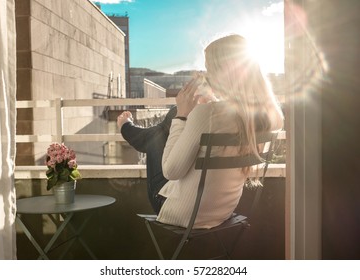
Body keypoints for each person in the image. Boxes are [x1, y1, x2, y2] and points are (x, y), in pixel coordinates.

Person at [117, 34, 284, 229]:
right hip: (222, 211)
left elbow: (171, 172)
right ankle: (136, 133)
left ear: (224, 72)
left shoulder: (208, 114)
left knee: (163, 129)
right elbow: (229, 119)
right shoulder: (273, 115)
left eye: (210, 68)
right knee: (171, 124)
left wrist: (182, 115)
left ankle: (131, 131)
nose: (207, 75)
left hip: (181, 213)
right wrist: (203, 109)